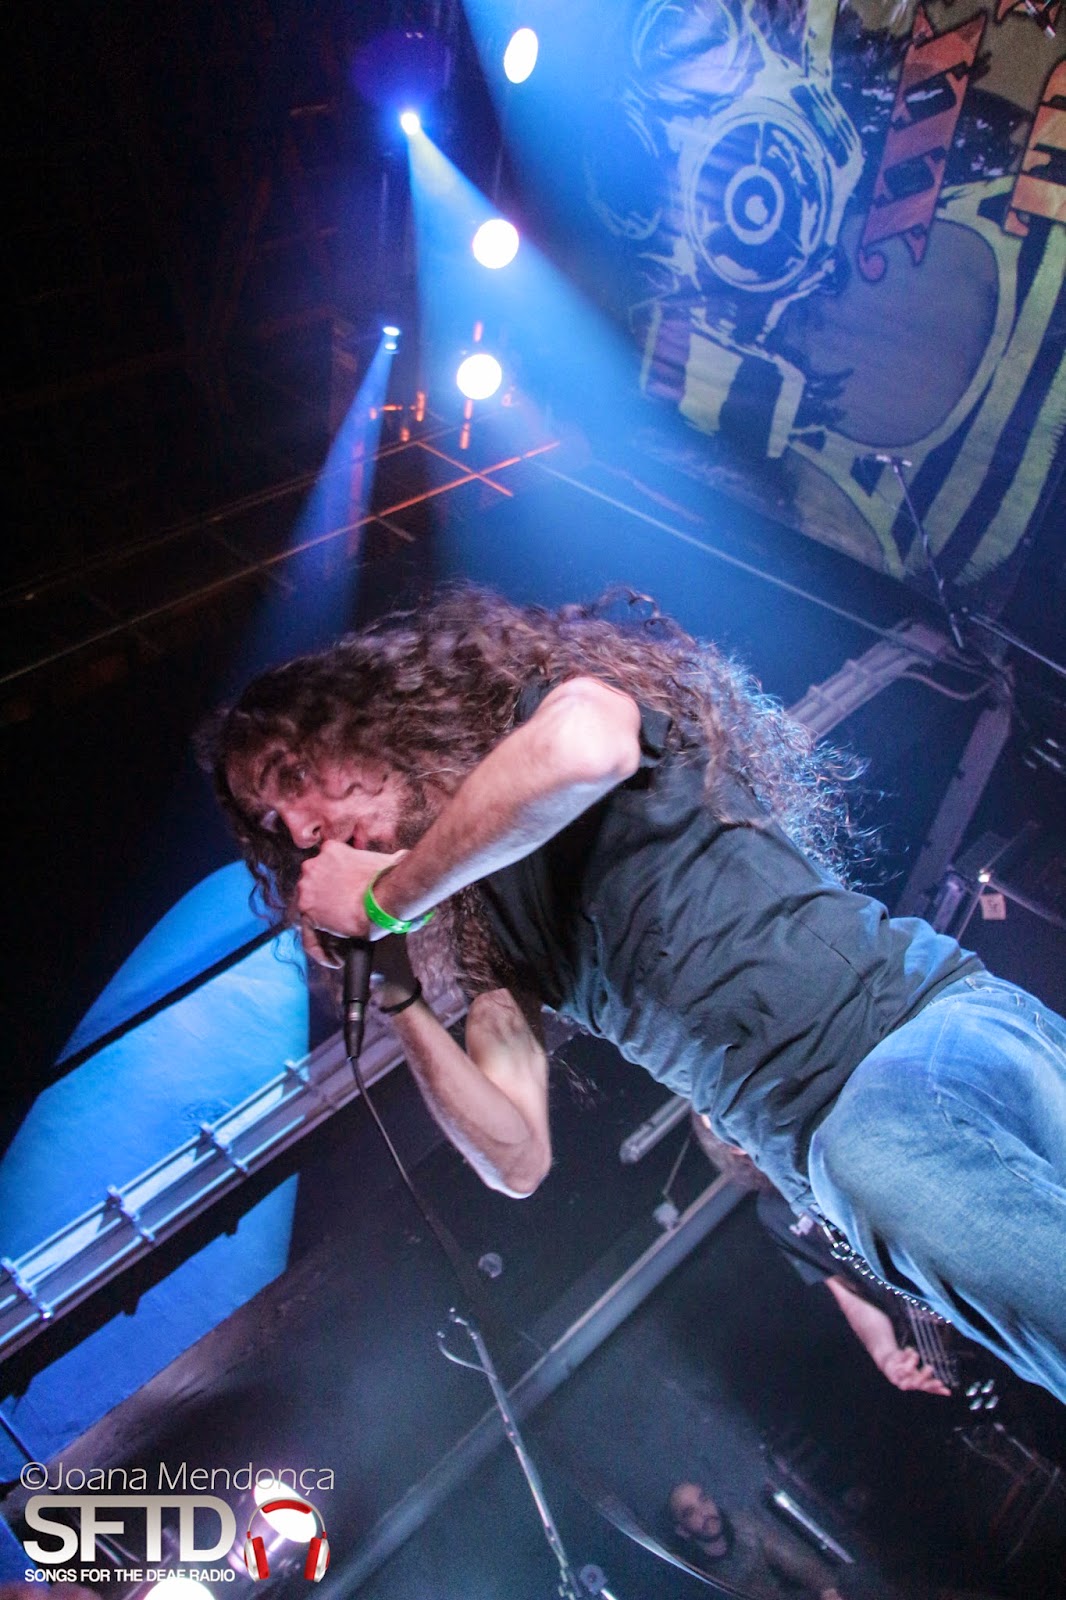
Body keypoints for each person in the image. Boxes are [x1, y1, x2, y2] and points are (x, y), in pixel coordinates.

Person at [201, 588, 1066, 1402]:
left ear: (368, 719)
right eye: (278, 828)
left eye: (294, 775)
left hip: (901, 1056)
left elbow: (587, 749)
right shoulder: (489, 940)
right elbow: (516, 1159)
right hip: (850, 1125)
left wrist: (384, 898)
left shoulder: (541, 708)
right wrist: (398, 991)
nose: (303, 830)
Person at [690, 1111, 952, 1398]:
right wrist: (886, 1354)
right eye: (723, 1131)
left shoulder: (840, 1135)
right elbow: (847, 1293)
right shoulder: (775, 1211)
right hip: (932, 1315)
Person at [668, 1480, 845, 1599]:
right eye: (690, 1512)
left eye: (704, 1500)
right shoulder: (690, 1571)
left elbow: (797, 1561)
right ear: (682, 1530)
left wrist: (827, 1589)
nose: (704, 1512)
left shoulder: (746, 1528)